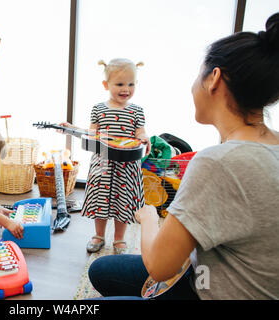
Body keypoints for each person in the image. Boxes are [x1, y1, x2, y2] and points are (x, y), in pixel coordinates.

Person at [88, 12, 279, 300]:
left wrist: (149, 217)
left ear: (214, 78)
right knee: (101, 269)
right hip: (207, 271)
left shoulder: (217, 162)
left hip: (209, 291)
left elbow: (160, 266)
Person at [62, 58, 151, 254]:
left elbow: (140, 132)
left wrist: (144, 137)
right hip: (103, 163)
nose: (125, 89)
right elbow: (92, 133)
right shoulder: (99, 109)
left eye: (131, 84)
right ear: (106, 85)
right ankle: (99, 235)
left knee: (123, 201)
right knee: (100, 199)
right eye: (119, 84)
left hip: (127, 166)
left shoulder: (137, 111)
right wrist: (72, 129)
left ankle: (119, 239)